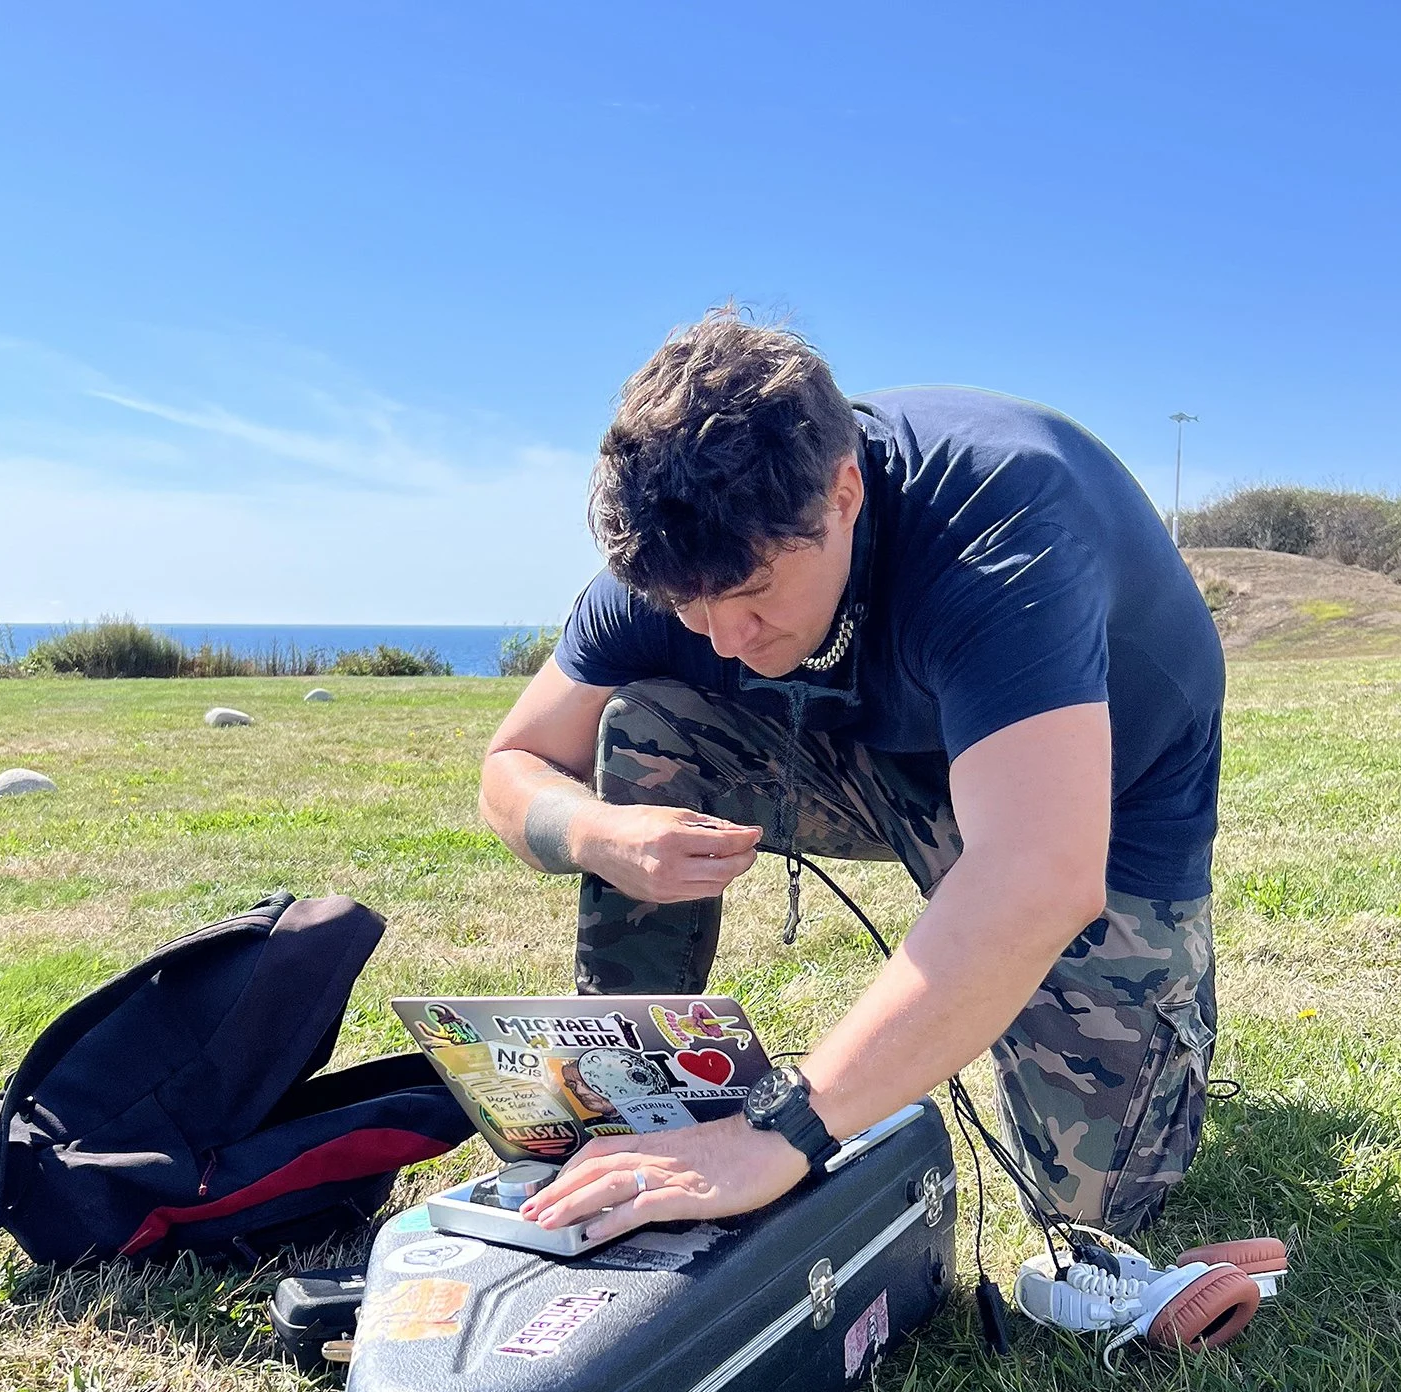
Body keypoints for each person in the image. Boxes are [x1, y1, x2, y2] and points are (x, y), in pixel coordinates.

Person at [479, 309, 1225, 1253]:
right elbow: (512, 766)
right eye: (684, 605)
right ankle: (630, 1105)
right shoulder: (688, 550)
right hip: (873, 753)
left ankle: (1167, 1004)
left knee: (1089, 1204)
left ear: (842, 494)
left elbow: (1038, 872)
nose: (721, 640)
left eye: (751, 596)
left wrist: (780, 1133)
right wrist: (599, 836)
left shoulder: (1000, 527)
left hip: (1099, 795)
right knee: (645, 723)